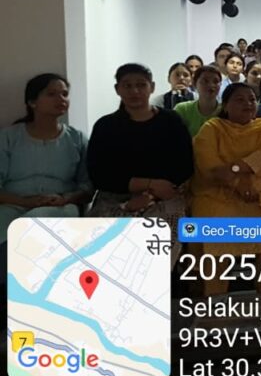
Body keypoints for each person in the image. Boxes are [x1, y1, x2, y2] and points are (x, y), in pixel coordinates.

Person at [191, 83, 261, 296]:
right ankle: (213, 301)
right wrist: (239, 184)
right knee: (213, 227)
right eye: (239, 99)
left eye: (252, 99)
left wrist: (235, 169)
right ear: (225, 105)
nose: (248, 104)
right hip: (219, 195)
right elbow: (209, 166)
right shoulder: (212, 128)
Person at [87, 64, 193, 253]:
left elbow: (184, 164)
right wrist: (142, 188)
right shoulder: (105, 126)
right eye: (127, 85)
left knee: (160, 235)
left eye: (141, 85)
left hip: (163, 195)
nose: (134, 91)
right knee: (104, 241)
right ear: (117, 89)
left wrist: (151, 195)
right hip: (115, 196)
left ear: (152, 87)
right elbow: (99, 173)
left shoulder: (171, 121)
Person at [0, 74, 92, 246]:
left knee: (31, 225)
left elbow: (87, 186)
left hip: (60, 207)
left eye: (64, 94)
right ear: (32, 102)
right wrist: (25, 202)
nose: (61, 99)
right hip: (13, 204)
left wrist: (66, 198)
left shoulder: (77, 139)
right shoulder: (8, 137)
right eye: (51, 94)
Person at [174, 65, 222, 137]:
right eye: (205, 81)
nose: (211, 85)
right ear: (194, 84)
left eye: (216, 81)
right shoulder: (182, 109)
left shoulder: (226, 110)